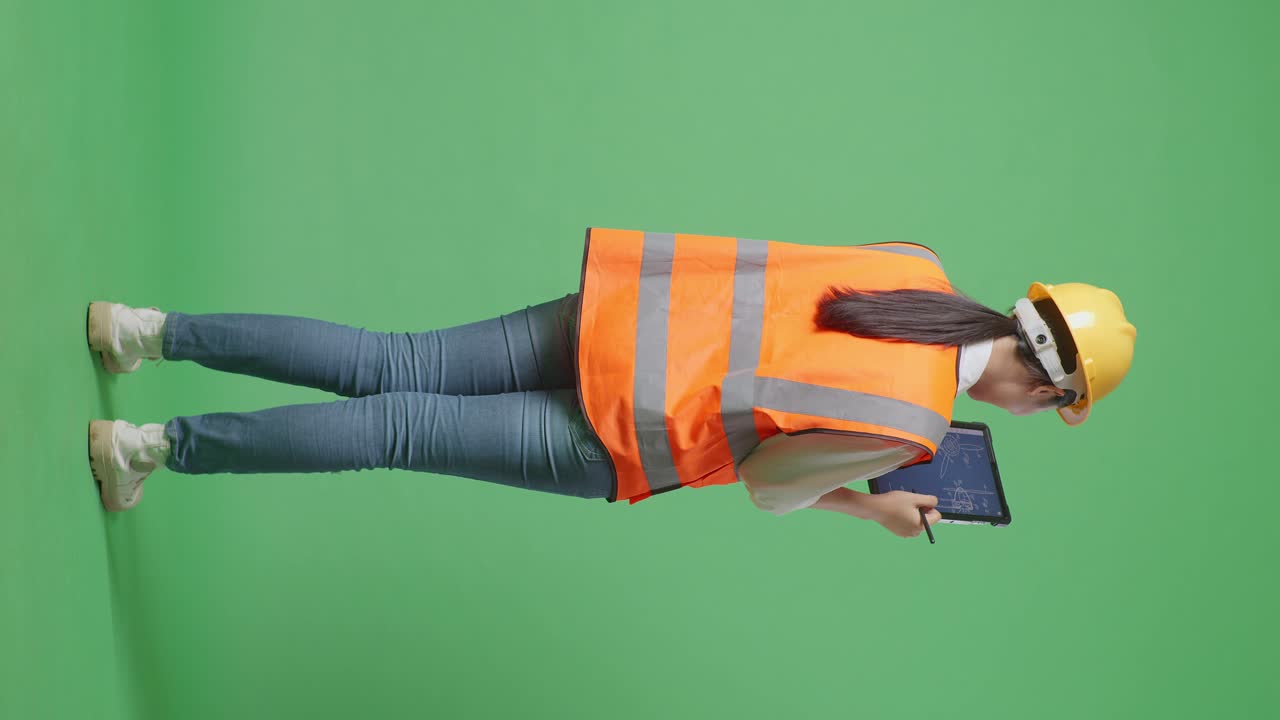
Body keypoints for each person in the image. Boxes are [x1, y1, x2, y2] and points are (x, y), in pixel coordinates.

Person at [87, 227, 1136, 538]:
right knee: (394, 431)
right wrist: (873, 509)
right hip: (621, 432)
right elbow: (772, 481)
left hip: (612, 317)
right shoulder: (909, 424)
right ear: (1046, 393)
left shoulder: (916, 268)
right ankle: (148, 449)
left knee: (384, 362)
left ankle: (142, 331)